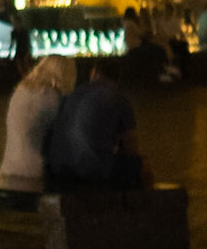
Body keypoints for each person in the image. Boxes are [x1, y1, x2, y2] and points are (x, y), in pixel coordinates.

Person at [46, 59, 149, 189]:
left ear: (94, 73)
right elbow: (131, 146)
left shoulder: (72, 94)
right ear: (118, 77)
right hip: (91, 172)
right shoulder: (119, 99)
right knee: (141, 166)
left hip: (58, 168)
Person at [0, 54, 77, 177]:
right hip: (34, 171)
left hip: (8, 166)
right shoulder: (51, 97)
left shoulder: (21, 90)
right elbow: (65, 136)